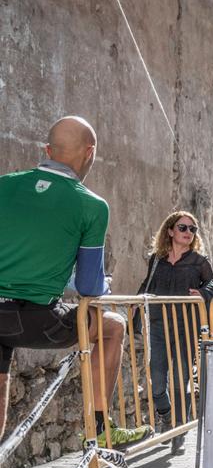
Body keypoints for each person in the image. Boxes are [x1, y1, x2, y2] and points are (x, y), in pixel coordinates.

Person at [0, 116, 148, 450]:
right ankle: (98, 425)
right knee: (113, 325)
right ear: (90, 153)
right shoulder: (91, 205)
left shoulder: (4, 184)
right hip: (37, 319)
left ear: (47, 150)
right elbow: (89, 285)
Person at [136, 210, 213, 442]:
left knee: (181, 377)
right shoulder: (157, 260)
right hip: (158, 325)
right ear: (170, 231)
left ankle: (179, 430)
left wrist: (202, 292)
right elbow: (146, 286)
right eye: (183, 228)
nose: (188, 233)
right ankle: (166, 413)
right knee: (156, 378)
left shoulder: (199, 262)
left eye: (193, 229)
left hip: (186, 326)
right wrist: (133, 316)